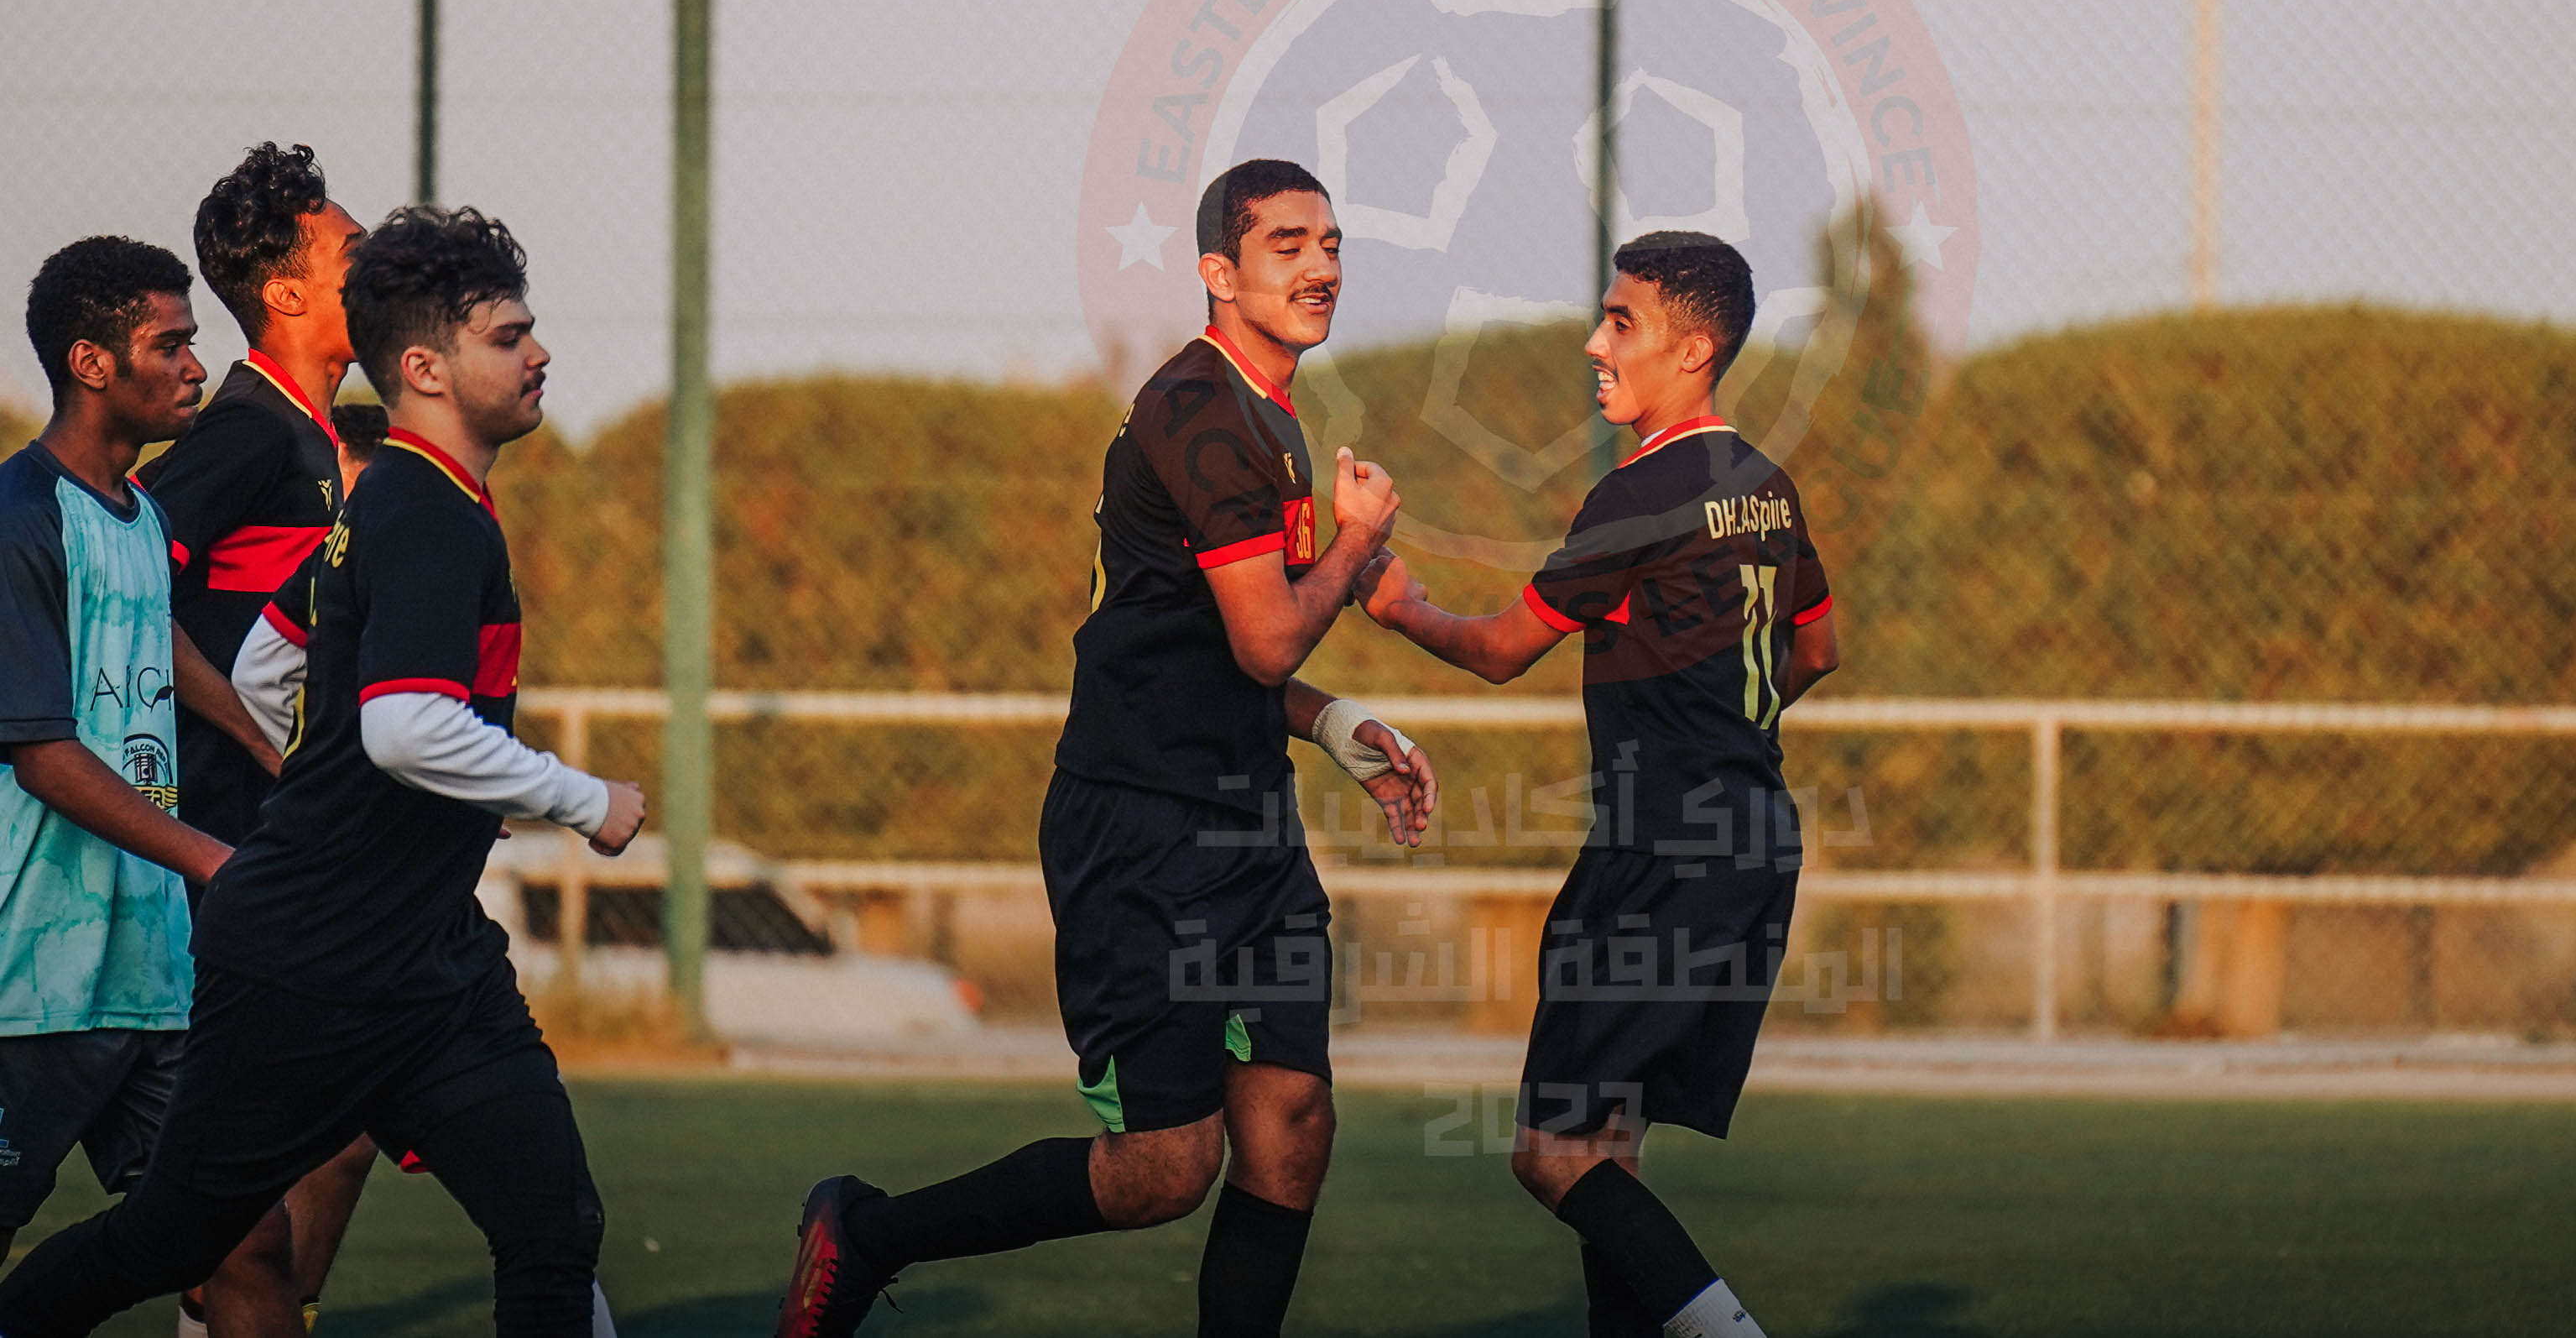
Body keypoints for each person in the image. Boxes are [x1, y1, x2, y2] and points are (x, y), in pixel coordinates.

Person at [773, 159, 1433, 1338]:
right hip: (1144, 831)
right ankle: (865, 1235)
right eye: (1286, 245)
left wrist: (1338, 723)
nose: (1321, 266)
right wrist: (1354, 545)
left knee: (1291, 1127)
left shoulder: (1269, 414)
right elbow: (1268, 638)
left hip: (1247, 823)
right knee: (1164, 1170)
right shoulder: (1199, 410)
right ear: (1218, 273)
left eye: (1331, 243)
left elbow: (1207, 647)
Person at [0, 207, 648, 1338]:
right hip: (223, 957)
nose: (538, 354)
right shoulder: (410, 506)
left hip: (400, 953)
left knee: (535, 1228)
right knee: (174, 1236)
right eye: (509, 336)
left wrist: (309, 771)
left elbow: (261, 657)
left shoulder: (358, 500)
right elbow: (402, 726)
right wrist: (581, 798)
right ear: (426, 368)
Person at [1353, 231, 1838, 1338]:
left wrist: (1398, 606)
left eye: (1621, 322)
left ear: (1694, 348)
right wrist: (1724, 725)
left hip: (1659, 850)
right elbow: (1814, 649)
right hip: (1754, 840)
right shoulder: (1767, 488)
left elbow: (1499, 649)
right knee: (1610, 1144)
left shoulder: (1638, 496)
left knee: (1553, 1152)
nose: (1594, 342)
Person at [0, 238, 305, 1338]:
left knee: (247, 1236)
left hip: (152, 971)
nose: (195, 366)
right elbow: (43, 752)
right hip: (28, 979)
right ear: (91, 362)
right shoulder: (19, 515)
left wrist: (273, 755)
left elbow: (154, 634)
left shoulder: (138, 511)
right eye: (169, 344)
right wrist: (215, 858)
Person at [132, 144, 378, 1338]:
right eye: (353, 254)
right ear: (285, 291)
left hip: (271, 847)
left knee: (339, 1134)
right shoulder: (250, 433)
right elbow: (122, 583)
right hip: (208, 850)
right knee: (228, 1191)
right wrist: (263, 743)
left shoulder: (319, 444)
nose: (379, 269)